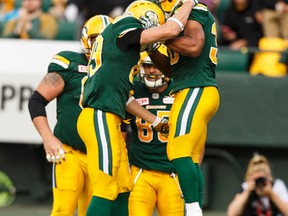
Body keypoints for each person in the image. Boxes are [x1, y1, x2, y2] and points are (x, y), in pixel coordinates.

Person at [76, 0, 197, 215]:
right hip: (99, 115)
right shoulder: (124, 27)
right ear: (147, 18)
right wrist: (189, 3)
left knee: (123, 186)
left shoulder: (120, 44)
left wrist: (155, 121)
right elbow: (170, 29)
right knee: (105, 188)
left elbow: (123, 96)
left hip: (109, 115)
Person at [28, 15, 112, 216]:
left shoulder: (118, 70)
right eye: (95, 38)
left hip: (100, 157)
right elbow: (36, 101)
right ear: (85, 39)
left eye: (105, 39)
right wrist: (48, 138)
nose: (99, 44)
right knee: (62, 210)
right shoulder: (69, 63)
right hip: (70, 152)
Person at [148, 0, 220, 215]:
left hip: (196, 88)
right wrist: (152, 45)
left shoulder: (195, 11)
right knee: (190, 155)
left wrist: (160, 34)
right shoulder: (181, 18)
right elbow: (171, 71)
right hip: (188, 87)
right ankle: (195, 207)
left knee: (177, 150)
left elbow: (194, 46)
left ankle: (192, 209)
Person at [127, 48, 185, 216]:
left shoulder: (180, 89)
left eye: (156, 65)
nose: (152, 70)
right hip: (141, 171)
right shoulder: (133, 90)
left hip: (172, 172)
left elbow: (198, 134)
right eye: (147, 66)